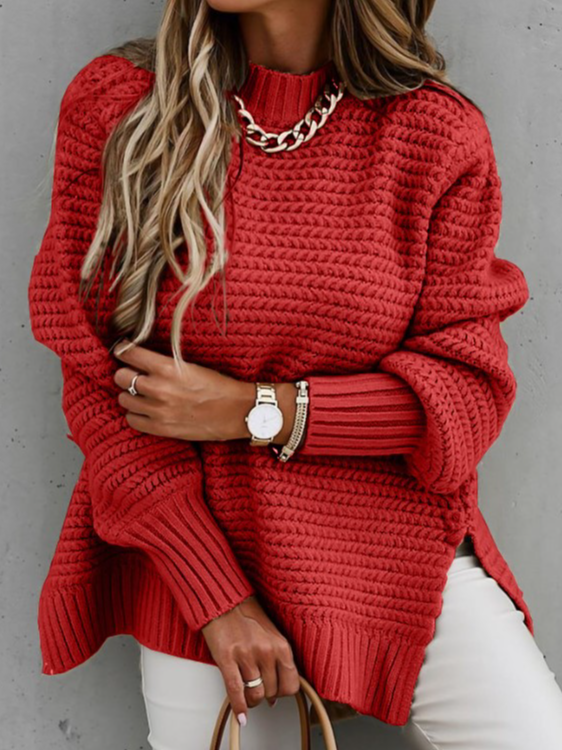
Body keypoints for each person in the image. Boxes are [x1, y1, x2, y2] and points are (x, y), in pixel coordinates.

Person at [27, 0, 562, 748]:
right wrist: (218, 599)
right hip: (200, 556)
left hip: (393, 548)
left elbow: (465, 394)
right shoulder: (124, 107)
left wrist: (257, 410)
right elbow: (96, 385)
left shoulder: (431, 133)